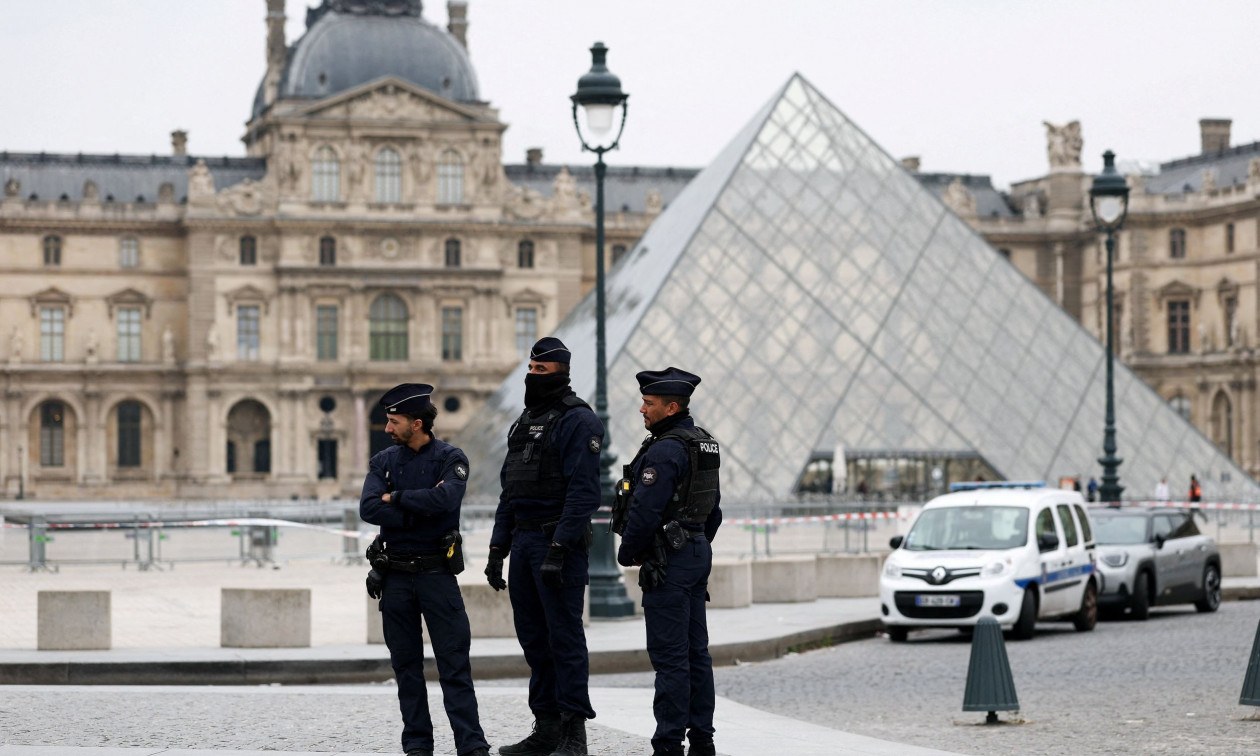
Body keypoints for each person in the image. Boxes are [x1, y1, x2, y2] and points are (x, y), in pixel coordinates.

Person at [487, 337, 604, 756]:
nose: (532, 377)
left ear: (561, 373)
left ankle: (575, 733)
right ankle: (547, 727)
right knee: (534, 640)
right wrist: (497, 549)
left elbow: (584, 492)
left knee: (565, 640)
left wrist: (558, 547)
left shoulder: (578, 420)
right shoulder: (523, 421)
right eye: (530, 370)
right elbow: (510, 489)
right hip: (523, 541)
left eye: (541, 371)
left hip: (557, 543)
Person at [360, 383, 490, 756]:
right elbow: (369, 509)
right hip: (396, 576)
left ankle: (471, 744)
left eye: (393, 421)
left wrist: (396, 497)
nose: (387, 429)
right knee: (406, 668)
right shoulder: (384, 461)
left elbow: (447, 498)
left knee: (454, 666)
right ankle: (417, 744)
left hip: (436, 575)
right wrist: (423, 507)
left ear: (417, 423)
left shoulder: (451, 457)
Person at [614, 367, 722, 756]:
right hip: (694, 553)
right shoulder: (704, 443)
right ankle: (703, 740)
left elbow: (644, 510)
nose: (642, 409)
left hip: (668, 560)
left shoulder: (664, 450)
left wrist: (629, 552)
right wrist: (693, 542)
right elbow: (714, 511)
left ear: (671, 406)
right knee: (697, 653)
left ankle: (669, 744)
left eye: (649, 403)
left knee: (670, 657)